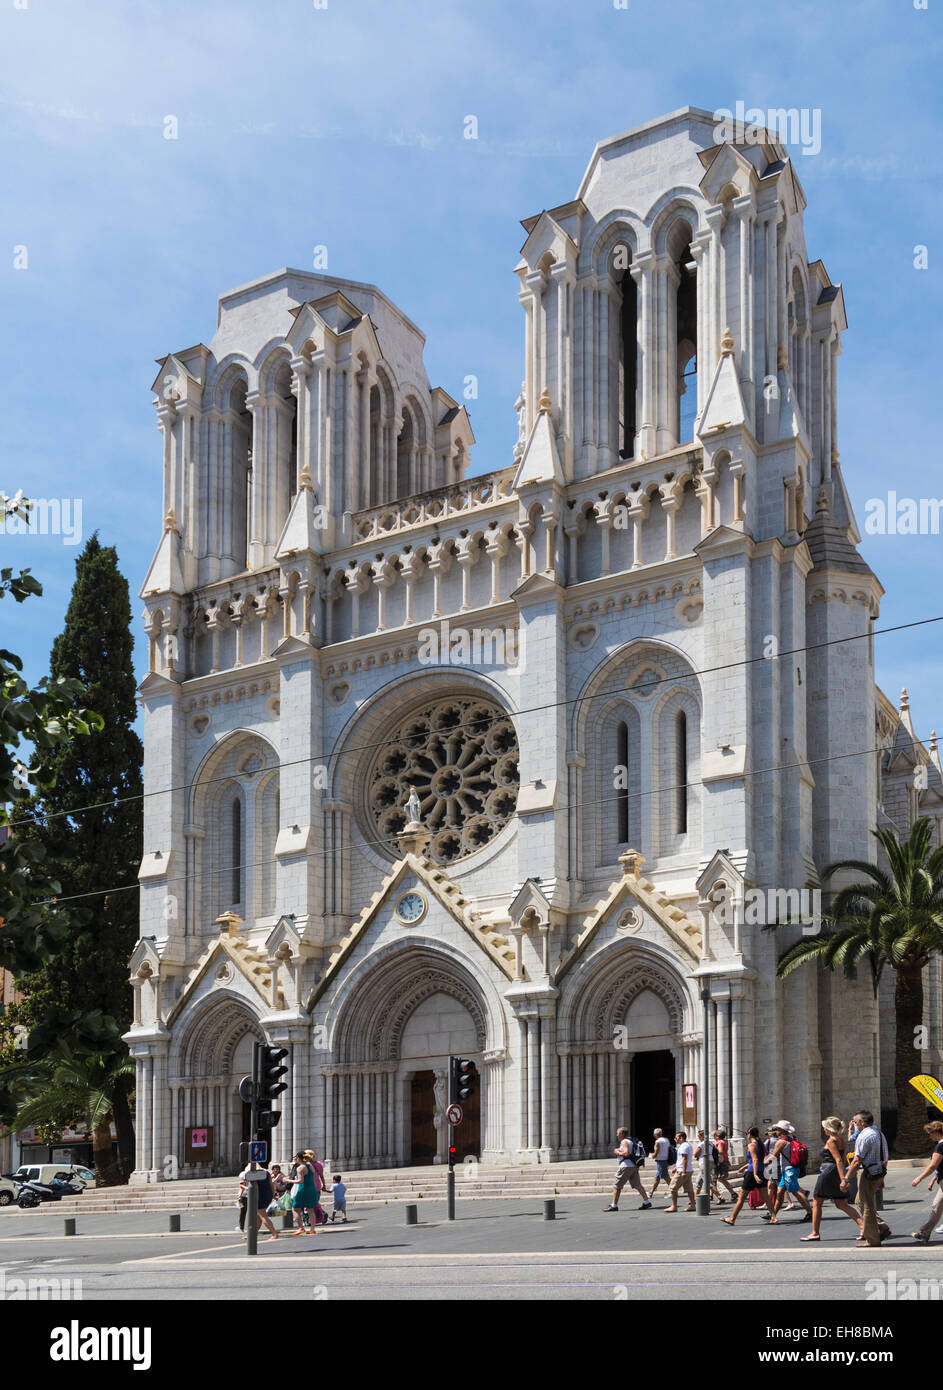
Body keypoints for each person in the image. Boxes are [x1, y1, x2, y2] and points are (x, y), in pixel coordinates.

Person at [800, 1116, 862, 1242]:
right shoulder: (840, 1140)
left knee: (817, 1202)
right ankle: (863, 1226)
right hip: (834, 1172)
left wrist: (843, 1179)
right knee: (841, 1203)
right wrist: (843, 1175)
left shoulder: (831, 1141)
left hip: (827, 1172)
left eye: (824, 1128)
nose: (823, 1130)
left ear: (828, 1129)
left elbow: (838, 1160)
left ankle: (815, 1233)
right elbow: (843, 1159)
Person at [841, 1110, 891, 1247]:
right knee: (859, 1201)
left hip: (867, 1173)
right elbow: (885, 1156)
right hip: (878, 1171)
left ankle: (872, 1239)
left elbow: (857, 1160)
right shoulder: (879, 1134)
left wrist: (845, 1179)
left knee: (866, 1205)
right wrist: (882, 1177)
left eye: (856, 1122)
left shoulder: (864, 1136)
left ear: (862, 1123)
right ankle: (881, 1227)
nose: (855, 1125)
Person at [722, 1126, 777, 1225]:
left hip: (752, 1173)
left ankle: (732, 1218)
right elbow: (756, 1160)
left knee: (742, 1197)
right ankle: (773, 1217)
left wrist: (755, 1174)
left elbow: (755, 1160)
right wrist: (743, 1167)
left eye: (747, 1133)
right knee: (766, 1197)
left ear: (749, 1134)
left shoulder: (752, 1145)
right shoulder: (761, 1145)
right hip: (761, 1171)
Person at [767, 1122, 812, 1222]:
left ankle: (810, 1213)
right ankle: (773, 1216)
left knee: (796, 1192)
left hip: (788, 1170)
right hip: (790, 1169)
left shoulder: (781, 1142)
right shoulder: (791, 1138)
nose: (776, 1130)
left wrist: (763, 1164)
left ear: (782, 1130)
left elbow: (773, 1156)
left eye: (778, 1129)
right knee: (780, 1192)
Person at [604, 1127, 652, 1211]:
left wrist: (617, 1152)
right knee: (637, 1185)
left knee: (617, 1186)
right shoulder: (631, 1141)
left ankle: (614, 1205)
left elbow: (626, 1153)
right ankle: (646, 1202)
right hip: (633, 1166)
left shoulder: (624, 1141)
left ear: (622, 1134)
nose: (616, 1135)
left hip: (625, 1166)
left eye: (617, 1133)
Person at [911, 1120, 943, 1242]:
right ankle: (925, 1232)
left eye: (930, 1133)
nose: (929, 1136)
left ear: (936, 1132)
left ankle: (924, 1231)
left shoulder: (940, 1146)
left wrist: (919, 1178)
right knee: (936, 1206)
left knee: (937, 1206)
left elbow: (933, 1166)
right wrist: (934, 1179)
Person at [242, 1162, 279, 1242]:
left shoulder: (251, 1174)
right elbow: (271, 1184)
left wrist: (243, 1187)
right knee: (259, 1216)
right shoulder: (266, 1173)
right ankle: (252, 1234)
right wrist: (273, 1194)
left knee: (262, 1215)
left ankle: (274, 1234)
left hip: (257, 1195)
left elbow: (250, 1187)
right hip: (267, 1194)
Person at [665, 1131, 696, 1212]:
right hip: (687, 1169)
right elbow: (682, 1159)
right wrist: (676, 1167)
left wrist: (683, 1171)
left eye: (676, 1138)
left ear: (681, 1138)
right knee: (689, 1189)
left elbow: (684, 1159)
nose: (675, 1139)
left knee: (672, 1188)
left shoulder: (683, 1146)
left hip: (683, 1171)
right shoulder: (687, 1145)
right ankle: (693, 1205)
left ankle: (674, 1206)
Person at [290, 1151, 320, 1235]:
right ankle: (312, 1229)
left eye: (296, 1157)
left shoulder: (300, 1168)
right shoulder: (311, 1166)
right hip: (312, 1189)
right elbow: (313, 1178)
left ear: (299, 1158)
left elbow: (300, 1181)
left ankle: (301, 1228)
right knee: (310, 1209)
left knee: (295, 1208)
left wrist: (288, 1180)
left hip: (303, 1189)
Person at [694, 1128, 723, 1204]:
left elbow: (695, 1154)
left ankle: (720, 1196)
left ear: (701, 1136)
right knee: (699, 1181)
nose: (698, 1137)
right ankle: (693, 1199)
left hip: (704, 1163)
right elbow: (716, 1151)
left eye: (698, 1136)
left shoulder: (701, 1143)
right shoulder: (710, 1143)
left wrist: (699, 1155)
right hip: (711, 1161)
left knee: (708, 1181)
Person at [713, 1129, 736, 1202]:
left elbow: (720, 1151)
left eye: (714, 1136)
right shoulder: (725, 1142)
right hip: (725, 1161)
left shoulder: (720, 1142)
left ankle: (732, 1193)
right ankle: (732, 1193)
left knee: (718, 1179)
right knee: (718, 1179)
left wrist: (713, 1151)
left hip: (720, 1162)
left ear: (717, 1136)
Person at [649, 1128, 671, 1199]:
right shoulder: (666, 1140)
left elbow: (656, 1152)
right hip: (666, 1159)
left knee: (666, 1177)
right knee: (657, 1177)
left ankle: (673, 1190)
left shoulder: (658, 1141)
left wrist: (652, 1156)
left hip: (660, 1160)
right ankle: (651, 1192)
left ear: (655, 1135)